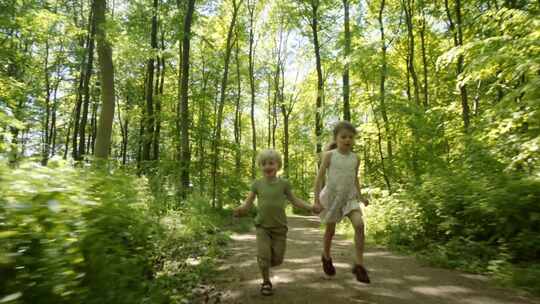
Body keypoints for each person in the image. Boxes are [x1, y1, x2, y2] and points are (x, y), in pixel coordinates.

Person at [233, 149, 321, 296]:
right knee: (264, 256)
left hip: (280, 228)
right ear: (260, 166)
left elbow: (295, 200)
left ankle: (265, 263)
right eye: (263, 164)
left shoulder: (284, 184)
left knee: (278, 259)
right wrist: (240, 210)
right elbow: (248, 203)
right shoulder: (257, 184)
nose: (267, 166)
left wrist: (310, 207)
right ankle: (266, 281)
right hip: (262, 227)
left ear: (278, 165)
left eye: (271, 163)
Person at [313, 121, 371, 283]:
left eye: (350, 137)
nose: (347, 140)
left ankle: (359, 266)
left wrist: (360, 197)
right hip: (332, 198)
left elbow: (355, 178)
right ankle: (326, 256)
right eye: (343, 137)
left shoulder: (356, 158)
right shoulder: (329, 155)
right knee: (330, 231)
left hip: (349, 198)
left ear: (354, 140)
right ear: (336, 138)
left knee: (359, 225)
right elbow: (318, 179)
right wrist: (316, 200)